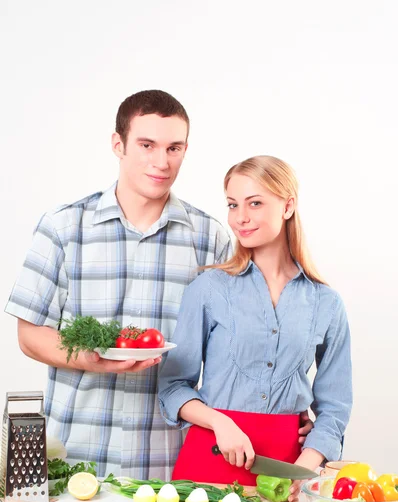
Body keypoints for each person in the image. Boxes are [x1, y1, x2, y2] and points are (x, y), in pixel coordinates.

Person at [5, 93, 312, 481]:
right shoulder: (63, 228)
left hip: (168, 461)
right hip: (74, 452)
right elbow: (30, 335)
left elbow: (247, 340)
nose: (161, 162)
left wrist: (284, 410)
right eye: (146, 145)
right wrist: (91, 359)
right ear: (118, 145)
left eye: (174, 148)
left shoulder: (210, 239)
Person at [158, 155, 352, 501]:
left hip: (287, 469)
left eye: (255, 203)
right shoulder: (209, 288)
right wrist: (220, 422)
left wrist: (305, 466)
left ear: (288, 206)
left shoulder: (326, 303)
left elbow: (335, 405)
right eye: (233, 204)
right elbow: (173, 386)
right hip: (210, 455)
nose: (240, 217)